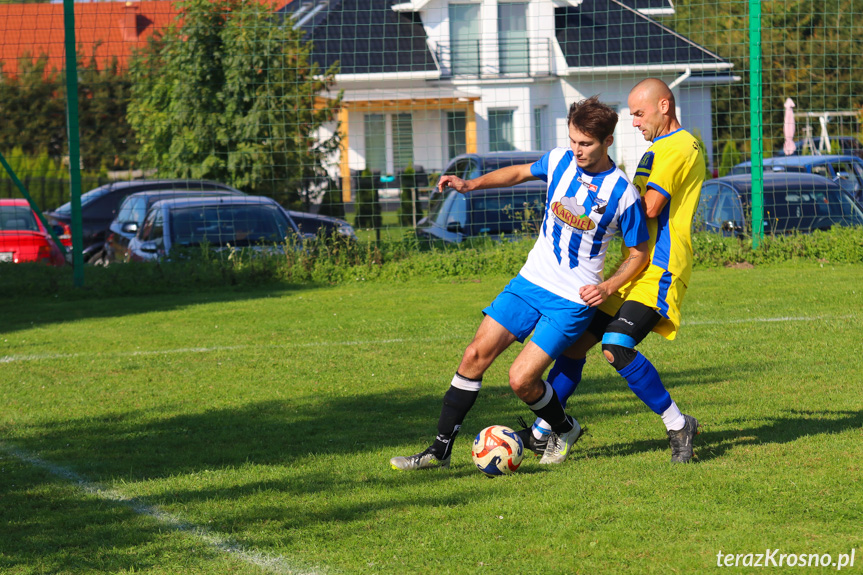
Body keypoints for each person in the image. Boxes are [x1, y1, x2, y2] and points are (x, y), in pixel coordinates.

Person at [390, 96, 651, 471]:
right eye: (573, 140)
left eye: (586, 144)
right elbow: (518, 173)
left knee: (521, 380)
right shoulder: (560, 161)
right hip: (528, 284)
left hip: (569, 301)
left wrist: (608, 288)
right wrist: (470, 184)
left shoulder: (622, 193)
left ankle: (565, 427)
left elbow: (638, 254)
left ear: (608, 141)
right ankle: (438, 452)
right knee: (473, 356)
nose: (576, 150)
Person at [518, 78, 707, 464]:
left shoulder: (677, 147)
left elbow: (649, 208)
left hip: (659, 269)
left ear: (664, 106)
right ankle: (543, 431)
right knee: (573, 348)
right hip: (630, 269)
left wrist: (601, 201)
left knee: (615, 347)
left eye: (639, 113)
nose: (634, 122)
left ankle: (678, 425)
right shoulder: (658, 150)